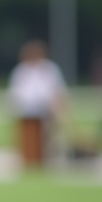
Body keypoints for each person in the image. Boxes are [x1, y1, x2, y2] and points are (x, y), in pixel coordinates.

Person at [7, 39, 68, 168]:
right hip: (26, 110)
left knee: (51, 124)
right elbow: (16, 93)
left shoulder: (50, 69)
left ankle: (47, 153)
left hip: (46, 109)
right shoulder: (21, 71)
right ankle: (27, 154)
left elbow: (57, 91)